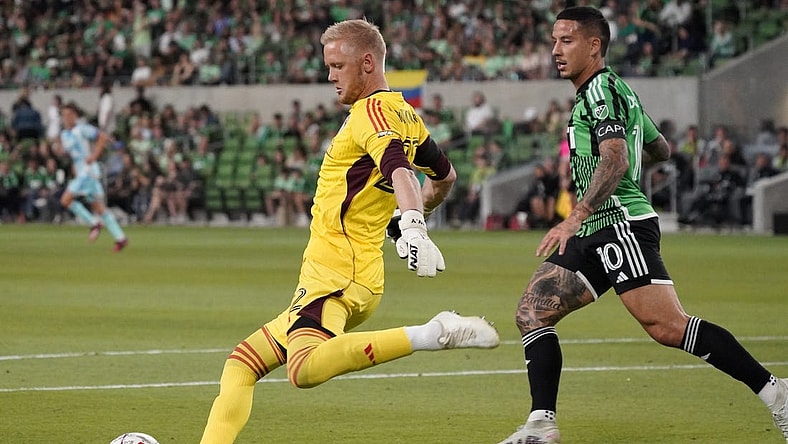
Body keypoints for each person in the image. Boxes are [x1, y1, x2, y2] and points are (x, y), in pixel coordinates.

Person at [198, 19, 499, 444]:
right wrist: (403, 222)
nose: (330, 76)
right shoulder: (404, 115)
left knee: (301, 371)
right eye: (328, 67)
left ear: (368, 63)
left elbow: (403, 173)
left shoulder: (370, 113)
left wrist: (412, 225)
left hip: (338, 271)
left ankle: (432, 333)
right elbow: (445, 177)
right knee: (242, 363)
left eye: (338, 66)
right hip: (342, 272)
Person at [496, 7, 788, 444]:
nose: (555, 50)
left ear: (594, 45)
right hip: (597, 226)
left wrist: (576, 213)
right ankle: (541, 425)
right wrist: (618, 162)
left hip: (619, 224)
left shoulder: (600, 91)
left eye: (566, 41)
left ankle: (777, 395)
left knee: (668, 327)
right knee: (533, 312)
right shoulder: (613, 92)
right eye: (554, 41)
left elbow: (617, 156)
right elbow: (661, 147)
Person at [58, 102, 128, 252]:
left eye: (69, 115)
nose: (66, 118)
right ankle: (120, 238)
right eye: (63, 115)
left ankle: (93, 223)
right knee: (99, 208)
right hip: (81, 171)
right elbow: (74, 156)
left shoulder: (81, 129)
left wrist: (94, 156)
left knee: (65, 200)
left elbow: (102, 136)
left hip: (88, 171)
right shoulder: (64, 135)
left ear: (75, 116)